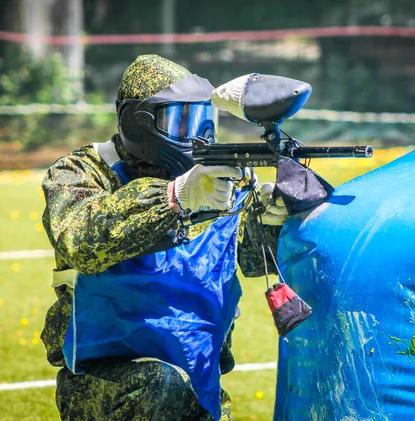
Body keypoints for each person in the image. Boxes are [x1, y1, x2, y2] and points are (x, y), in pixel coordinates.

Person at [40, 54, 289, 421]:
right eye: (181, 121)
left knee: (175, 388)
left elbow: (253, 261)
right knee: (161, 385)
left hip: (198, 376)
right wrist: (176, 198)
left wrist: (274, 216)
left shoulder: (219, 177)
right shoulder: (81, 172)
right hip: (108, 379)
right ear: (137, 123)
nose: (197, 136)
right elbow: (81, 240)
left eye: (205, 121)